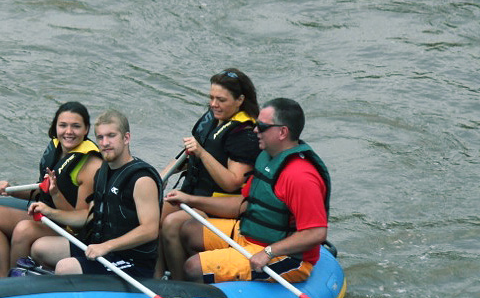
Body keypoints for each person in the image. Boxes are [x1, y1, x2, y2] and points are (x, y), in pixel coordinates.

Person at [163, 98, 330, 284]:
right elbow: (242, 205)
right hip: (250, 236)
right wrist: (190, 200)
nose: (255, 130)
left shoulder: (301, 177)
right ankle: (195, 284)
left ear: (283, 132)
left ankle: (203, 291)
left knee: (193, 268)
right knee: (188, 230)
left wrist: (268, 252)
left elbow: (316, 233)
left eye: (262, 126)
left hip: (285, 255)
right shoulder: (266, 158)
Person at [28, 110, 162, 277]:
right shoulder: (102, 172)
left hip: (131, 261)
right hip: (101, 249)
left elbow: (150, 230)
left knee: (65, 267)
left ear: (126, 138)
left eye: (111, 136)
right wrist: (50, 212)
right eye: (100, 137)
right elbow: (86, 218)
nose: (105, 143)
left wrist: (107, 246)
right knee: (40, 248)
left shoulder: (142, 180)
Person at [0, 101, 103, 277]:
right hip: (48, 217)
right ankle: (3, 279)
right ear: (55, 127)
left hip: (71, 231)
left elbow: (78, 220)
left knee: (24, 229)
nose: (68, 132)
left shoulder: (90, 165)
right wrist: (11, 190)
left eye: (76, 126)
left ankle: (15, 286)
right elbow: (40, 190)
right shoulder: (57, 149)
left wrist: (55, 193)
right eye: (63, 125)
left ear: (86, 129)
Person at [157, 69, 261, 279]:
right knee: (152, 212)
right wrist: (154, 181)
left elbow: (232, 182)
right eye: (211, 98)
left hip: (219, 206)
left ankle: (179, 283)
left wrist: (202, 153)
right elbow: (185, 159)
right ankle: (153, 277)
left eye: (221, 100)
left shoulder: (244, 134)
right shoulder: (213, 119)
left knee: (171, 223)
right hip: (193, 194)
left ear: (240, 100)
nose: (213, 104)